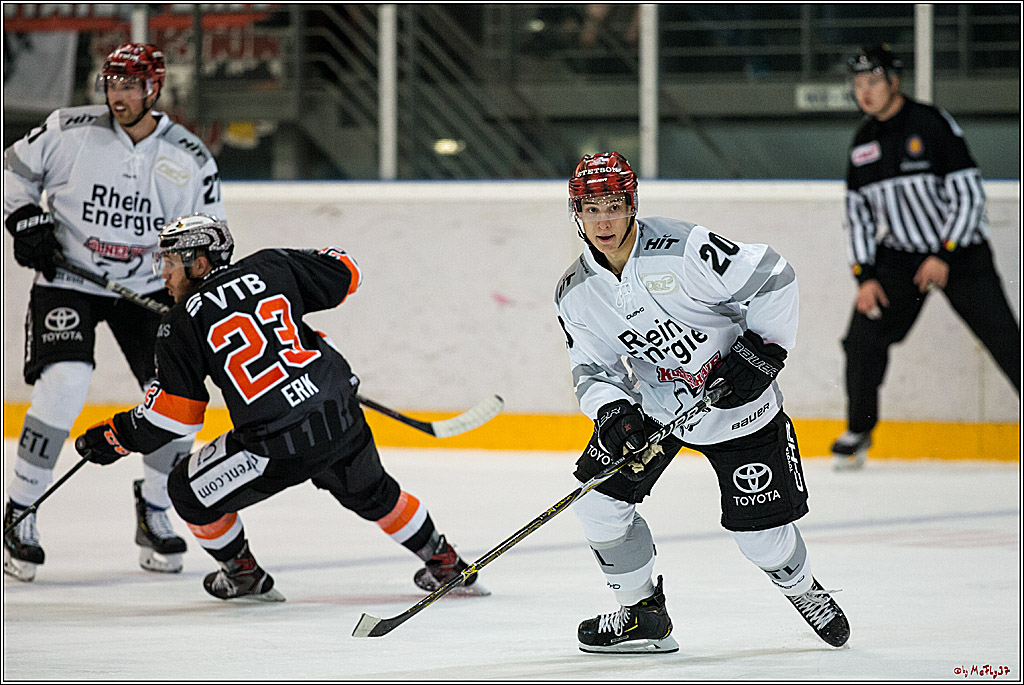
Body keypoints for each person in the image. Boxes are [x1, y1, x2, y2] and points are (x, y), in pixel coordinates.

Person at [73, 213, 488, 602]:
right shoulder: (270, 266)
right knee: (373, 492)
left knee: (185, 490)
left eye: (170, 262)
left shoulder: (182, 322)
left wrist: (113, 436)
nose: (163, 273)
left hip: (276, 446)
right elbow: (347, 271)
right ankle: (445, 561)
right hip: (339, 414)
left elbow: (171, 418)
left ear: (199, 264)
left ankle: (242, 574)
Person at [554, 152, 849, 654]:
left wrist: (763, 353)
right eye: (590, 207)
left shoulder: (682, 248)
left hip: (740, 410)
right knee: (599, 505)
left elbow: (774, 276)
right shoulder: (575, 292)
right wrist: (612, 413)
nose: (603, 220)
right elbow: (592, 369)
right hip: (659, 411)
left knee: (762, 540)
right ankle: (641, 614)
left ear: (632, 204)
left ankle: (802, 588)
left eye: (614, 205)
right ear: (575, 213)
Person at [3, 42, 226, 581]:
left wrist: (193, 282)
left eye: (130, 85)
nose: (118, 95)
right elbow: (10, 171)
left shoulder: (189, 157)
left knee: (178, 400)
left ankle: (154, 508)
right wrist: (25, 217)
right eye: (112, 84)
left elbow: (210, 236)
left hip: (147, 291)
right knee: (66, 382)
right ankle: (20, 509)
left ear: (154, 88)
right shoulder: (68, 129)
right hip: (69, 281)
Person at [832, 44, 1020, 469]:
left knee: (1006, 340)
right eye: (858, 83)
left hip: (961, 255)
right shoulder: (863, 143)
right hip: (899, 260)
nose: (865, 91)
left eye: (873, 81)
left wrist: (944, 254)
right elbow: (857, 215)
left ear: (894, 81)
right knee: (863, 338)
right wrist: (864, 276)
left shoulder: (930, 124)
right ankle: (859, 429)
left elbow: (969, 196)